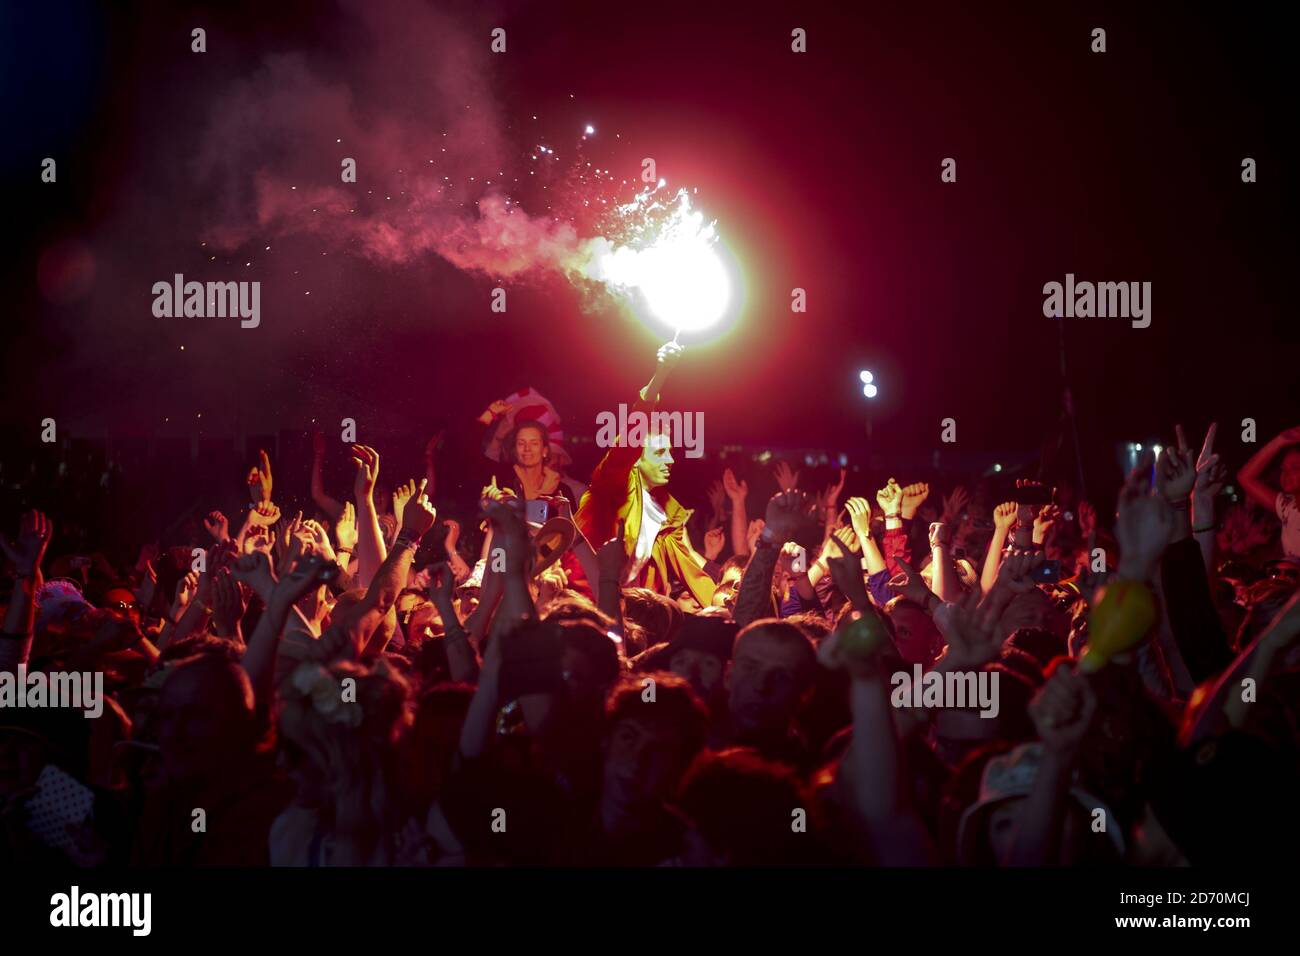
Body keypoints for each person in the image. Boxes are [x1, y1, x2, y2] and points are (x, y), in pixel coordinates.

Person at [573, 340, 716, 607]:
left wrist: (729, 607)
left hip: (630, 615)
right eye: (660, 453)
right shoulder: (613, 485)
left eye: (670, 452)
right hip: (583, 606)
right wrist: (661, 373)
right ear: (635, 460)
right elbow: (631, 432)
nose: (671, 460)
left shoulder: (669, 513)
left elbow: (693, 573)